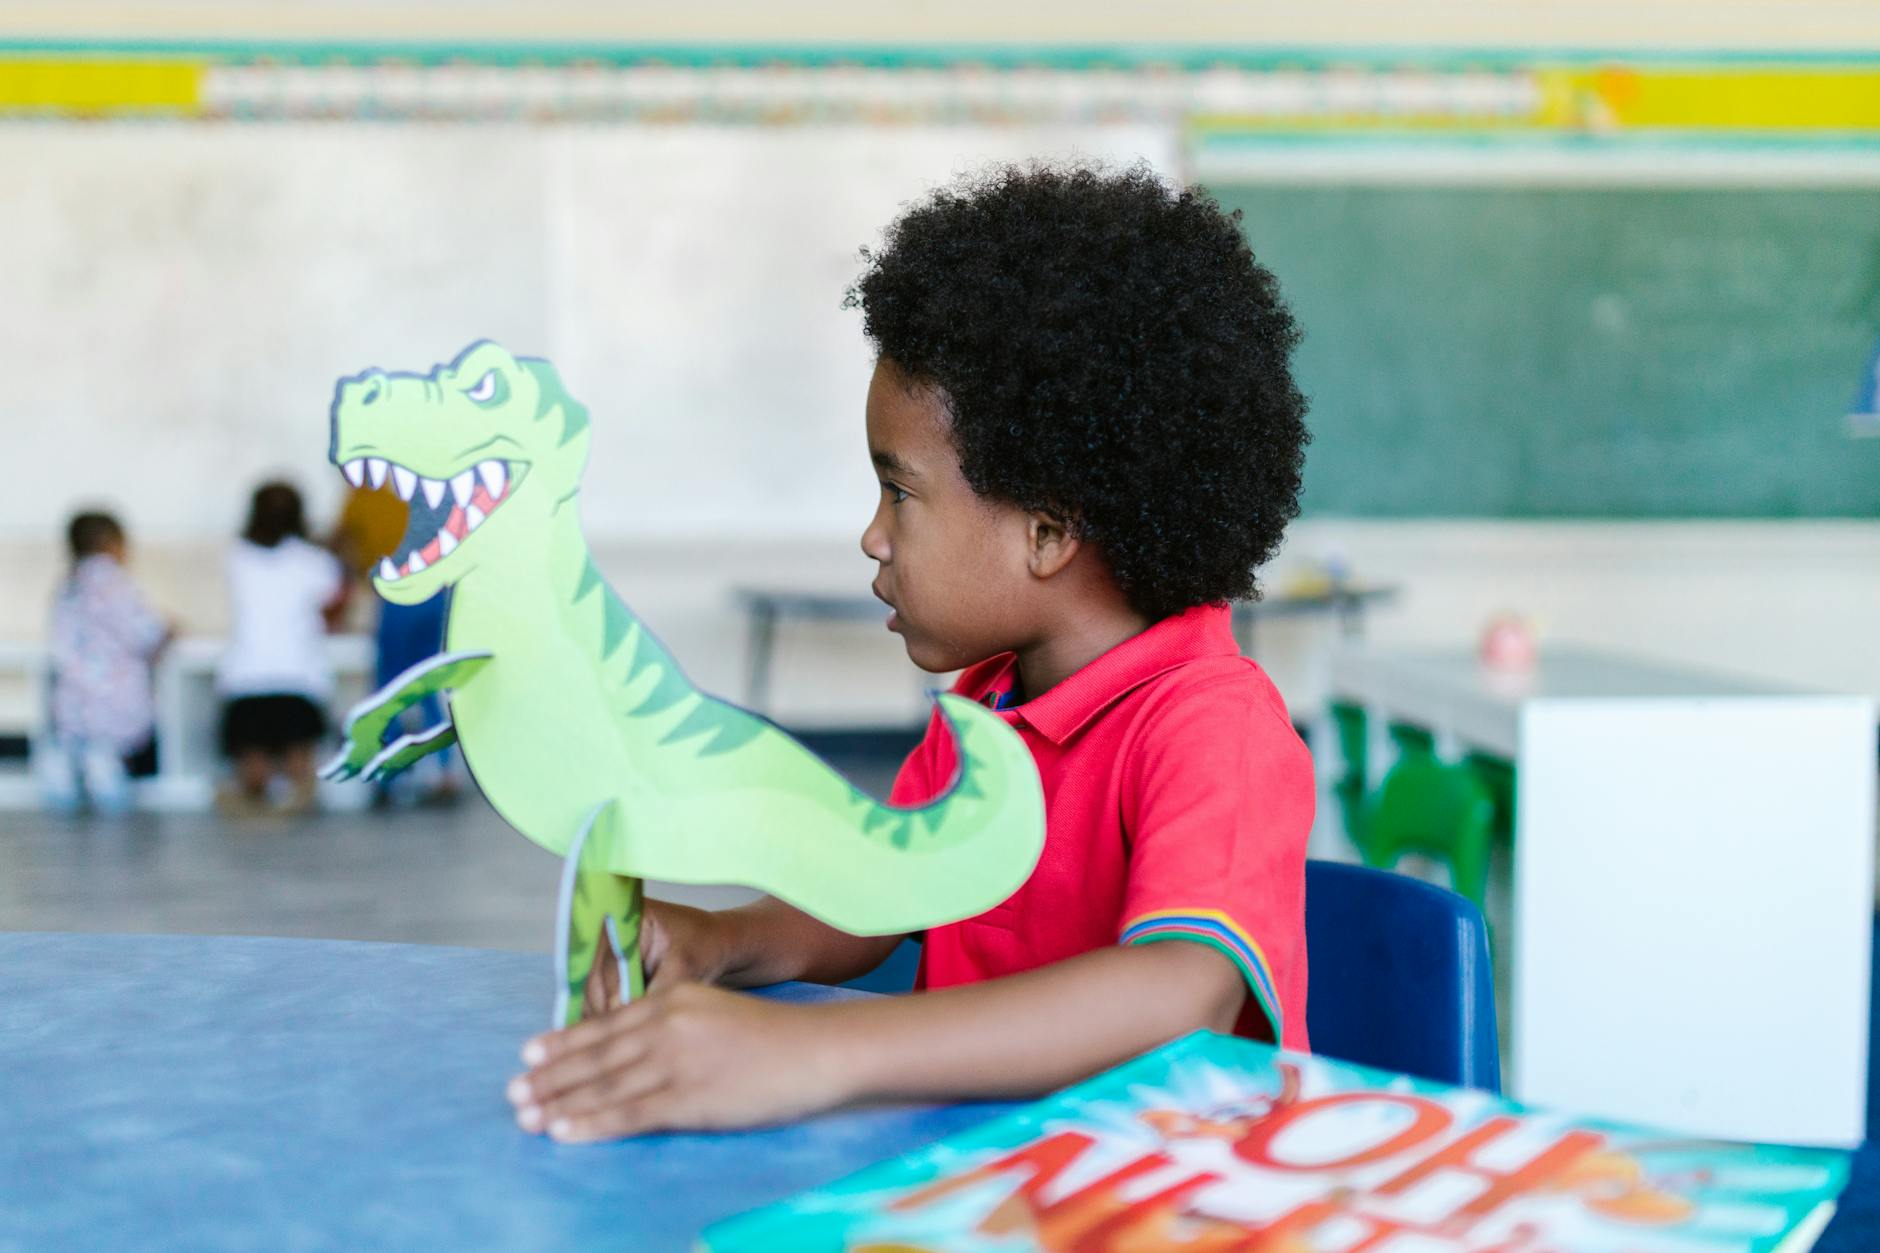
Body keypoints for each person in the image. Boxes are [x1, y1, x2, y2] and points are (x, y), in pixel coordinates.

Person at [507, 161, 1314, 1140]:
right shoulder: (987, 708)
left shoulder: (1212, 726)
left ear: (1048, 531)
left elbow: (1174, 992)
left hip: (1159, 1194)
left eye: (899, 491)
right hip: (979, 1176)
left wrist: (814, 1055)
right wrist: (715, 941)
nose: (873, 536)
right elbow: (872, 899)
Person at [216, 481, 347, 816]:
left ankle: (255, 805)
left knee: (253, 766)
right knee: (299, 765)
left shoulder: (236, 557)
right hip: (298, 674)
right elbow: (333, 609)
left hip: (246, 674)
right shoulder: (314, 561)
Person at [38, 511, 173, 815]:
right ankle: (104, 784)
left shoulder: (68, 584)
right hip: (112, 686)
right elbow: (141, 630)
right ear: (110, 543)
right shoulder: (114, 581)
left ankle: (63, 780)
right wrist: (169, 631)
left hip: (73, 690)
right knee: (107, 756)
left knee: (77, 747)